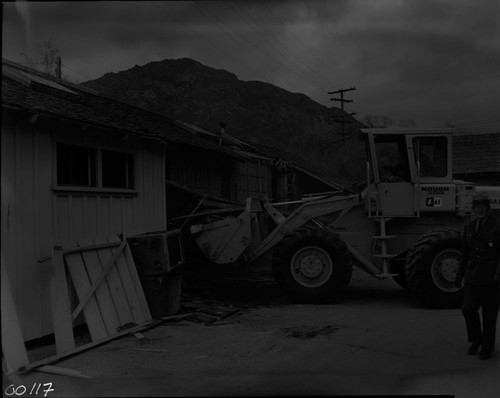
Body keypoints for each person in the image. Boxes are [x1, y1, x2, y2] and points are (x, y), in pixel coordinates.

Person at [455, 192, 500, 360]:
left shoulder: (497, 226)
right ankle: (476, 340)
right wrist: (459, 274)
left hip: (490, 278)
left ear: (488, 209)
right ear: (473, 209)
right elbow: (464, 253)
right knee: (467, 308)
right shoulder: (469, 227)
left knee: (489, 315)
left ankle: (486, 348)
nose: (480, 210)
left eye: (483, 208)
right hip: (472, 277)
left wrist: (498, 273)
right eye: (477, 208)